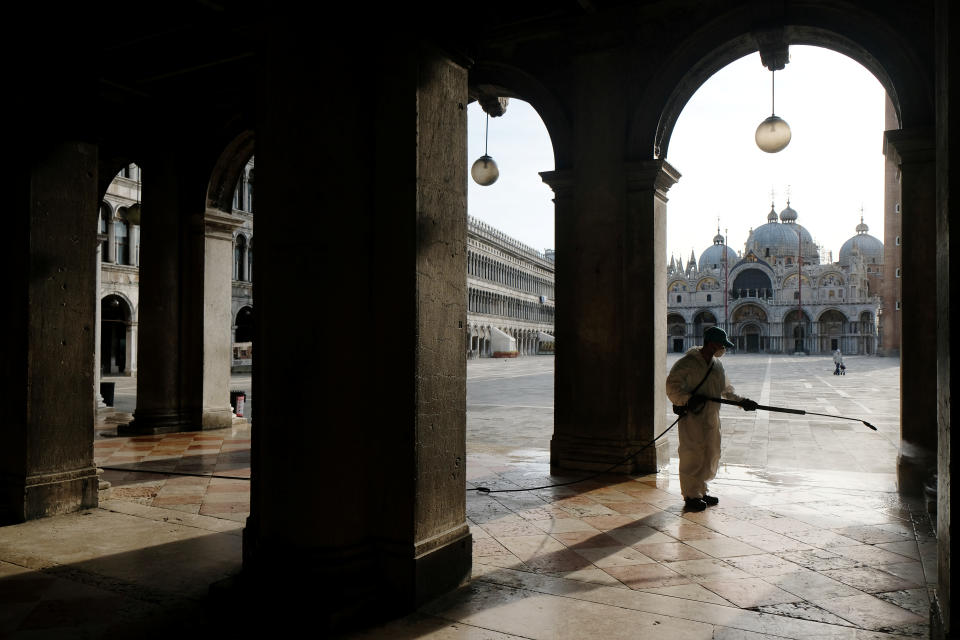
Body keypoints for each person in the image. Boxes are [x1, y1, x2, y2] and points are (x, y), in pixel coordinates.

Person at [666, 326, 757, 512]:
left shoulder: (717, 365)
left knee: (710, 453)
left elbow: (726, 390)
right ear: (713, 343)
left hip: (712, 416)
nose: (723, 349)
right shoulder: (687, 363)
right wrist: (689, 399)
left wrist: (743, 402)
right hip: (693, 417)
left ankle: (701, 490)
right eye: (722, 345)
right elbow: (672, 387)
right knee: (693, 454)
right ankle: (690, 495)